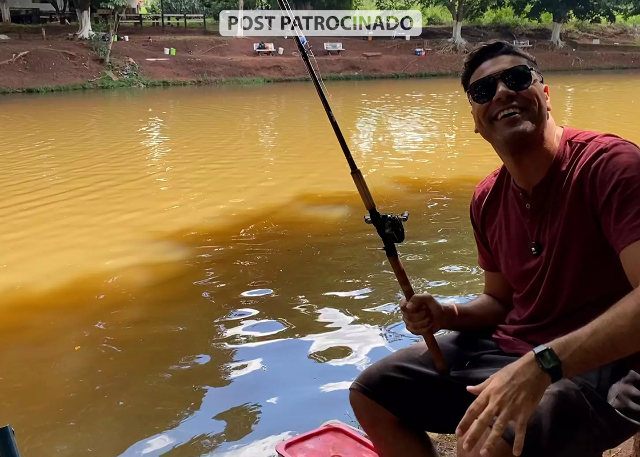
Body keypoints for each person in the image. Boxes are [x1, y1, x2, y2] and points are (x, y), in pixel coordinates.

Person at [349, 40, 640, 457]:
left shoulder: (612, 166)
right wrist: (446, 314)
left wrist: (543, 364)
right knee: (371, 393)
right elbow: (500, 301)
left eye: (517, 78)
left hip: (616, 364)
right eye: (483, 91)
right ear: (476, 121)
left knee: (485, 444)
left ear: (545, 93)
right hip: (517, 348)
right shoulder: (486, 198)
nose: (502, 91)